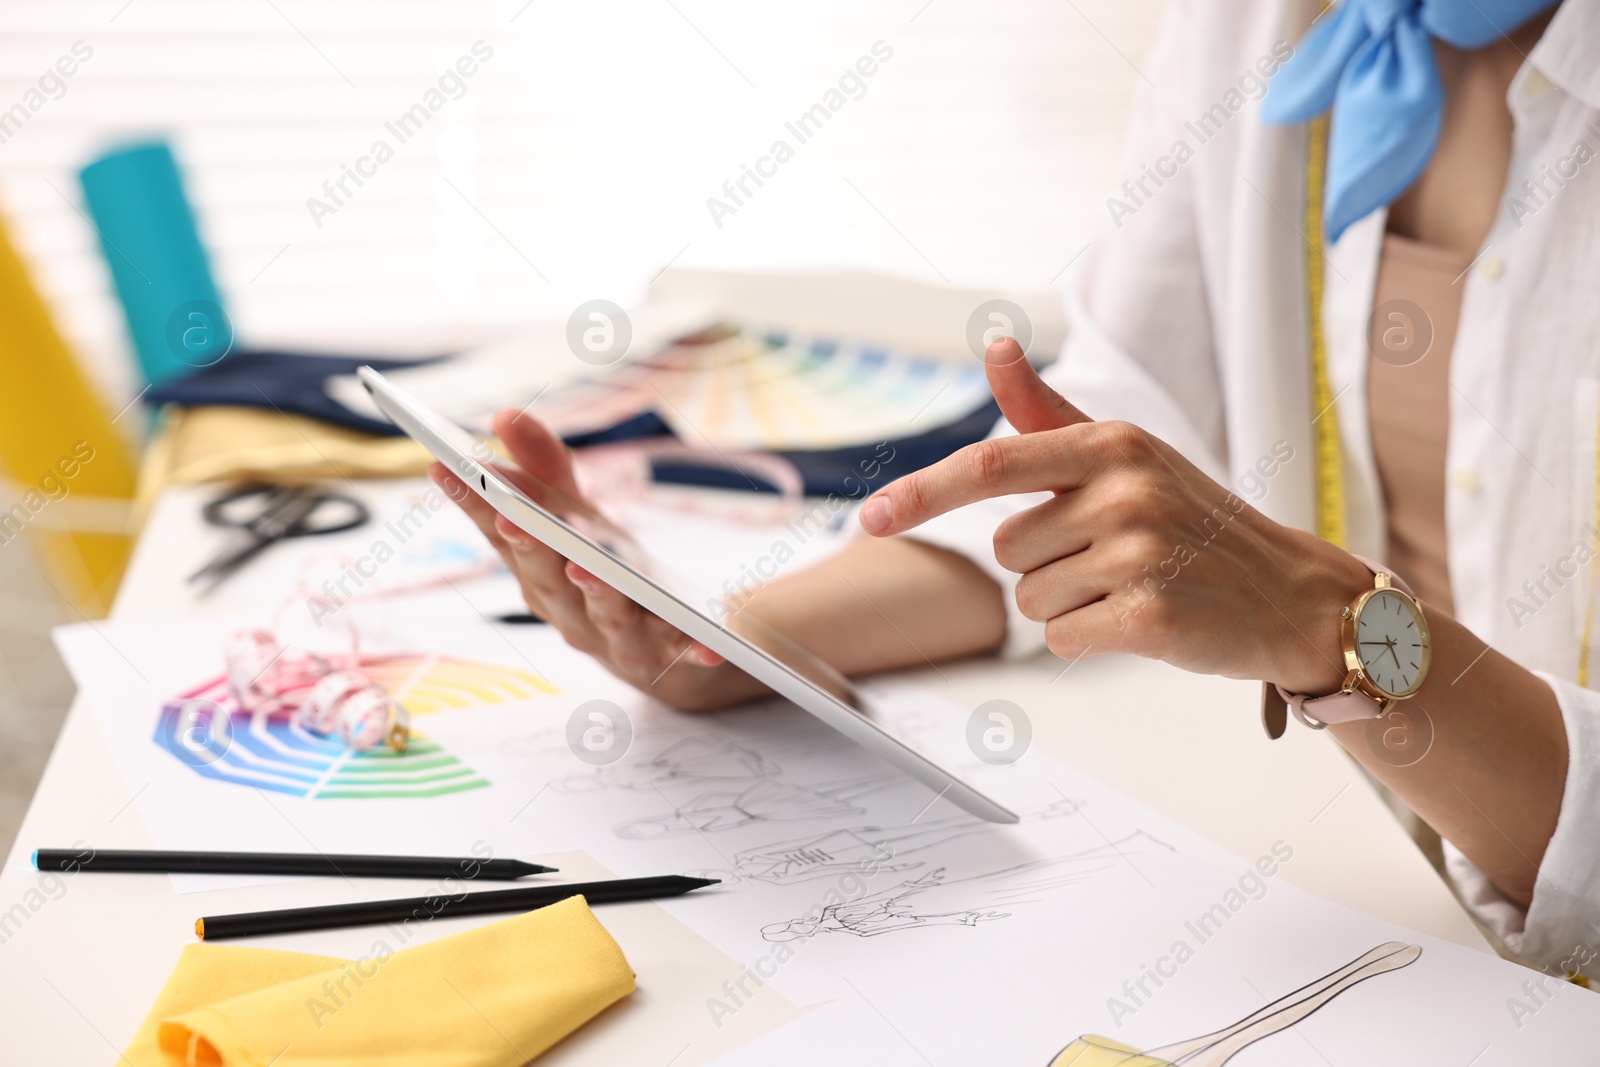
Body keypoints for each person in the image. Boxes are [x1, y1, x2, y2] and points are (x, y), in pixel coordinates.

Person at [437, 0, 1600, 978]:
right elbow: (1115, 443)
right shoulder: (1255, 25)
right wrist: (732, 637)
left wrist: (1326, 622)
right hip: (1365, 873)